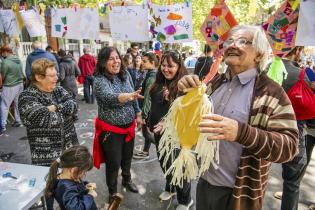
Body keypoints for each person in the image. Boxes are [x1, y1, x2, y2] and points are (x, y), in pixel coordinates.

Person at [177, 25, 299, 210]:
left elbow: (289, 146)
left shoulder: (271, 92)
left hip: (240, 194)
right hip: (203, 182)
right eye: (229, 41)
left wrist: (241, 132)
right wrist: (184, 94)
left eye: (243, 41)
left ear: (259, 54)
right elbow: (190, 121)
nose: (233, 45)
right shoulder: (214, 83)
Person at [93, 47, 142, 202]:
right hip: (111, 131)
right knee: (113, 163)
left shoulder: (125, 74)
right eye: (111, 59)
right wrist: (126, 97)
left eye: (117, 57)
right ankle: (113, 190)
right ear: (103, 62)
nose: (116, 61)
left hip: (129, 127)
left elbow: (134, 95)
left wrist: (138, 113)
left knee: (127, 158)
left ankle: (127, 180)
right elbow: (109, 97)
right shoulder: (99, 80)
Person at [149, 50, 193, 210]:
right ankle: (170, 188)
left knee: (179, 168)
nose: (166, 69)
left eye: (171, 66)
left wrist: (174, 99)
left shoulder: (185, 86)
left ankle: (185, 200)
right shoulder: (158, 83)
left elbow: (190, 114)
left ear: (179, 66)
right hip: (159, 135)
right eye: (164, 65)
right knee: (165, 164)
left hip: (178, 137)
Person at [273, 46, 315, 210]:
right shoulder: (304, 74)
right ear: (297, 51)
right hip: (294, 131)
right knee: (292, 183)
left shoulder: (265, 69)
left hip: (265, 129)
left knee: (257, 175)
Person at [18, 58, 79, 166]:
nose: (57, 78)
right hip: (47, 158)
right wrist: (66, 111)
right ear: (38, 77)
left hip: (71, 151)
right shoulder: (27, 96)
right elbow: (46, 120)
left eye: (57, 74)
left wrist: (54, 107)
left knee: (74, 181)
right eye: (52, 76)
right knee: (51, 182)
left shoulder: (58, 90)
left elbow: (74, 106)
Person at [45, 145, 97, 210]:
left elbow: (75, 187)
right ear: (73, 170)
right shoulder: (65, 187)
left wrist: (85, 185)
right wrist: (90, 196)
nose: (84, 174)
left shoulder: (68, 178)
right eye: (84, 171)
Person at [133, 52, 159, 159]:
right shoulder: (151, 73)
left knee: (146, 133)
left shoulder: (151, 77)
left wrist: (143, 115)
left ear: (152, 63)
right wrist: (139, 94)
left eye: (144, 61)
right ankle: (145, 151)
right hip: (151, 109)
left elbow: (148, 99)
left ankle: (163, 148)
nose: (142, 63)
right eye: (142, 61)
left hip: (149, 110)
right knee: (146, 132)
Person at [0, 45, 24, 130]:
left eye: (2, 53)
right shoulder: (18, 59)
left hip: (10, 85)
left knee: (4, 105)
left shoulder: (5, 62)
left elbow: (3, 75)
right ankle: (18, 121)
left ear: (5, 52)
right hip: (20, 83)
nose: (2, 55)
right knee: (17, 103)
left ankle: (2, 125)